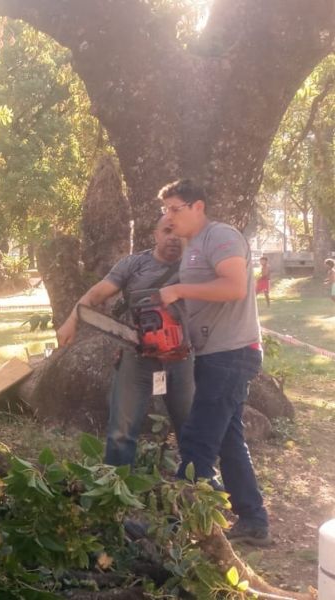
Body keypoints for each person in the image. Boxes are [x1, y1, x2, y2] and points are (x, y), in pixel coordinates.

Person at [157, 179, 271, 547]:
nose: (169, 217)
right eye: (164, 211)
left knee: (197, 441)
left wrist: (180, 290)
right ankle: (253, 519)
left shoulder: (220, 236)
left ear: (198, 207)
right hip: (214, 354)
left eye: (175, 209)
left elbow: (236, 286)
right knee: (229, 440)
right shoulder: (192, 247)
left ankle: (183, 527)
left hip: (233, 353)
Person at [56, 215, 193, 467]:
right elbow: (96, 293)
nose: (173, 237)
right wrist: (72, 320)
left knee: (191, 423)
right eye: (167, 231)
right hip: (137, 353)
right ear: (156, 234)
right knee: (122, 427)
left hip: (182, 356)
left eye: (178, 232)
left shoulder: (195, 265)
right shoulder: (134, 264)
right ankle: (117, 483)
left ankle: (199, 477)